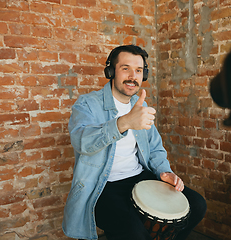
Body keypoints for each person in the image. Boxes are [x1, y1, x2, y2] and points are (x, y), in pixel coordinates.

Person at [62, 45, 207, 240]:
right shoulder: (87, 104)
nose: (133, 76)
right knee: (135, 233)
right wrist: (123, 123)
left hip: (138, 176)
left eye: (139, 70)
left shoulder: (140, 104)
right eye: (125, 68)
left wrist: (165, 172)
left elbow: (155, 147)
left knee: (196, 205)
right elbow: (82, 142)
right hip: (103, 186)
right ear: (111, 71)